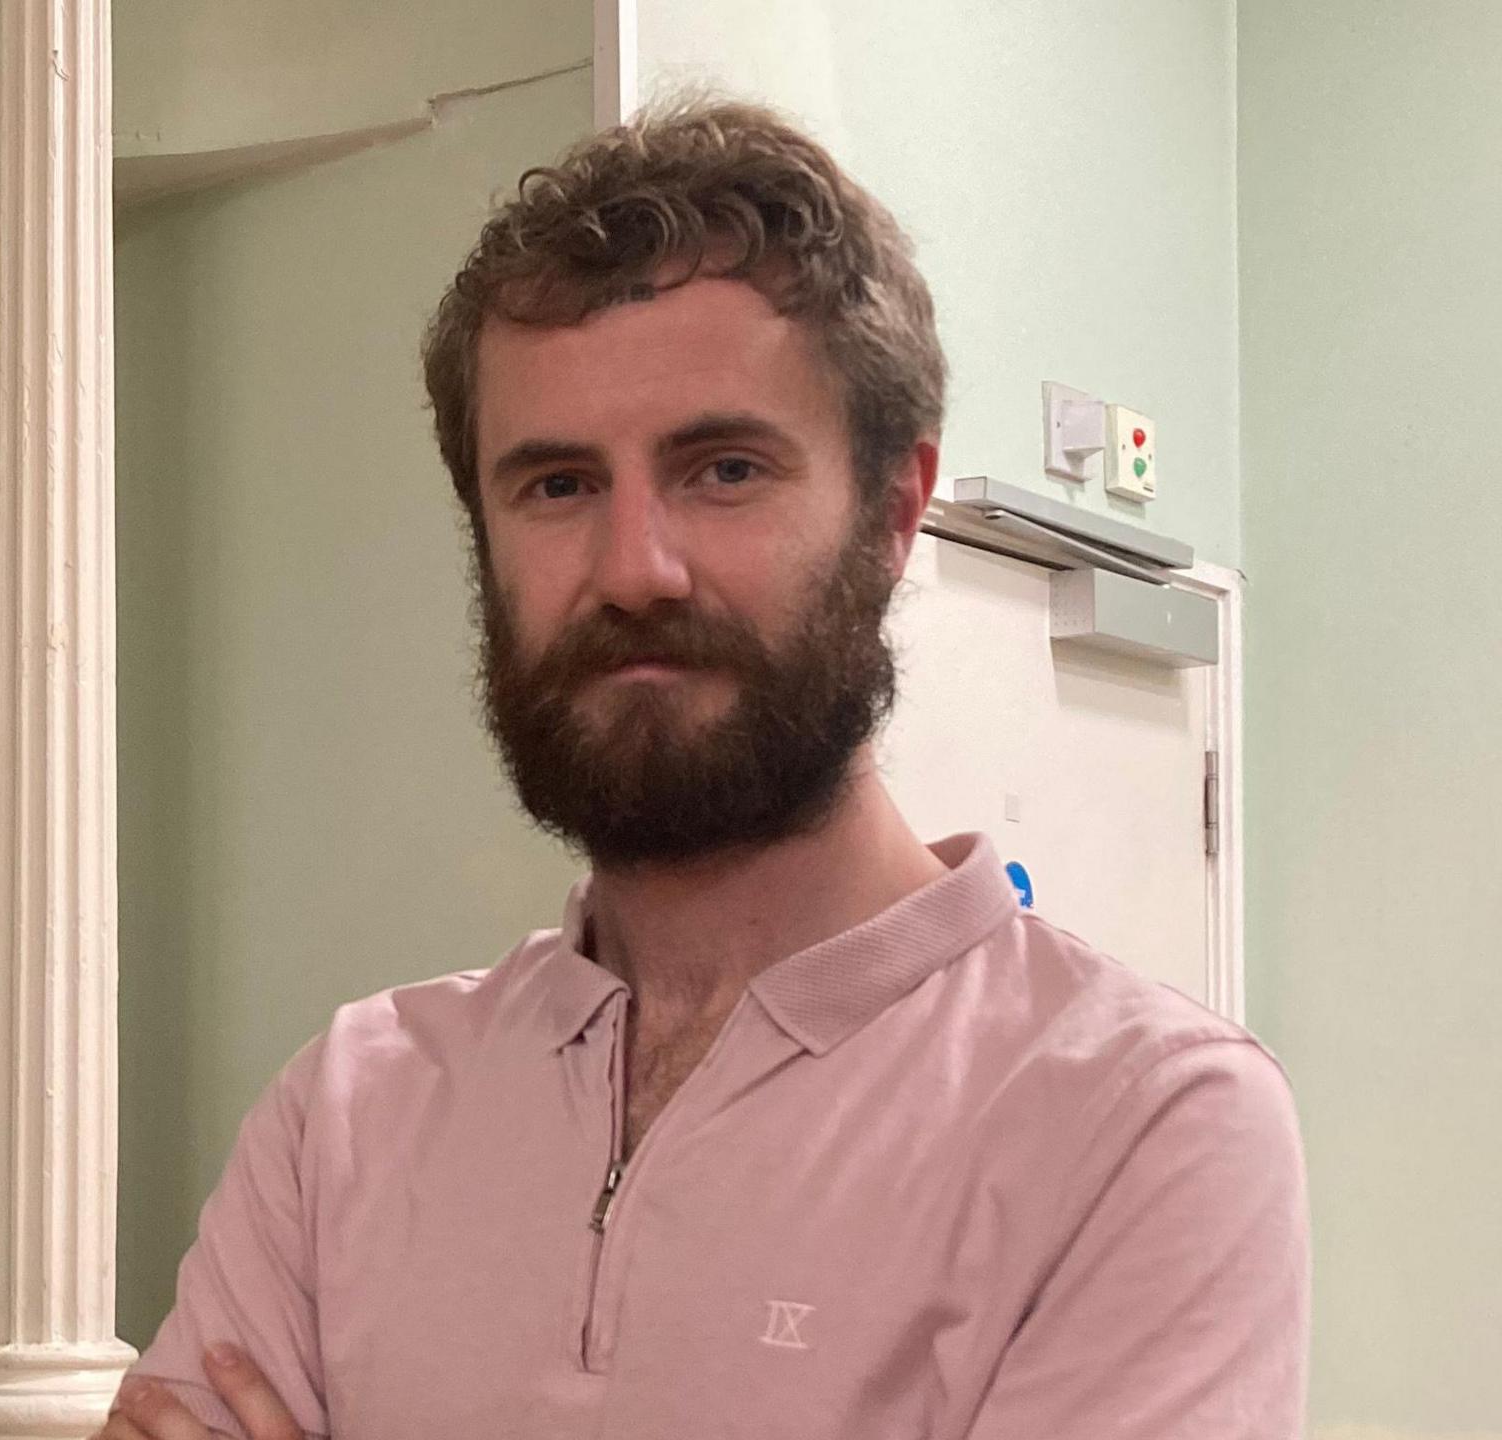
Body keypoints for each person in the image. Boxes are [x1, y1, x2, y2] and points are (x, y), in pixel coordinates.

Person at [95, 94, 1308, 1440]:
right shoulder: (348, 1109)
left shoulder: (1142, 1122)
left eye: (723, 470)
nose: (634, 570)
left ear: (893, 514)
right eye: (557, 486)